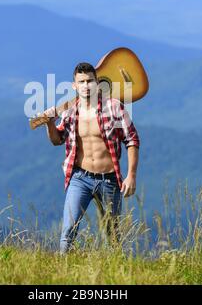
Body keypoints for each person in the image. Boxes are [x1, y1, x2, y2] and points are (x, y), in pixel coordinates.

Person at [43, 62, 140, 254]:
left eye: (90, 81)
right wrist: (49, 124)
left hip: (109, 180)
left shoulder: (113, 108)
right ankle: (62, 274)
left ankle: (113, 276)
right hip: (80, 178)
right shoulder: (70, 111)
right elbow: (57, 140)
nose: (86, 85)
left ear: (97, 83)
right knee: (68, 231)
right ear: (74, 85)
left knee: (111, 236)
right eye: (82, 82)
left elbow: (132, 139)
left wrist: (131, 175)